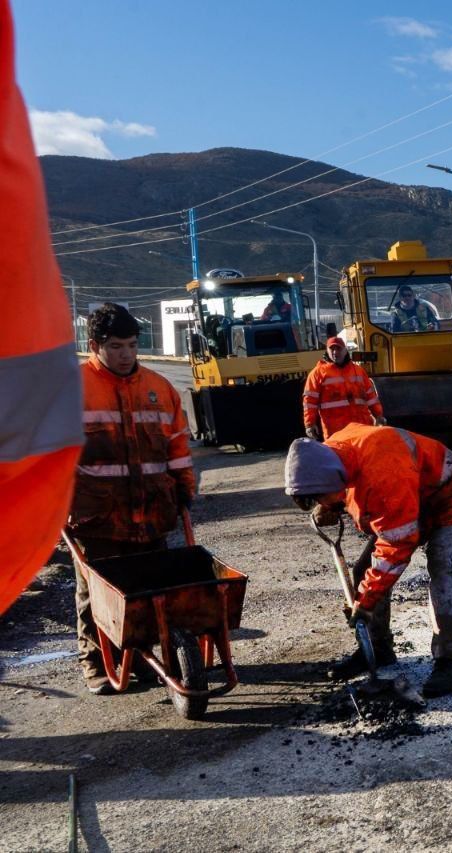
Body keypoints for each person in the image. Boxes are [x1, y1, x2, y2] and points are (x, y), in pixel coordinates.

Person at [284, 423, 452, 697]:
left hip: (446, 493)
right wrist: (328, 504)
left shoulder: (383, 471)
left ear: (330, 479)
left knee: (440, 564)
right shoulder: (333, 456)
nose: (320, 500)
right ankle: (377, 649)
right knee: (364, 569)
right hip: (407, 494)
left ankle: (451, 661)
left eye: (318, 495)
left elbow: (398, 543)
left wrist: (366, 601)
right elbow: (345, 488)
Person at [0, 0, 84, 615]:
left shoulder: (158, 391)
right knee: (93, 590)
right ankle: (93, 656)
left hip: (143, 505)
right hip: (77, 509)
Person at [69, 303, 197, 694]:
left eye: (131, 344)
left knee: (146, 592)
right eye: (116, 346)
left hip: (151, 510)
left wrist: (185, 487)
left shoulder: (159, 389)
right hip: (97, 514)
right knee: (99, 594)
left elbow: (177, 445)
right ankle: (96, 664)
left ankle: (141, 660)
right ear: (94, 345)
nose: (126, 354)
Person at [302, 336, 386, 440]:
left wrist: (378, 415)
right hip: (336, 432)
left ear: (345, 350)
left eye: (338, 349)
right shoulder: (317, 374)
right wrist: (310, 423)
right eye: (332, 349)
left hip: (361, 428)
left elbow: (371, 396)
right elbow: (310, 401)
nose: (335, 352)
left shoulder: (359, 371)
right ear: (327, 351)